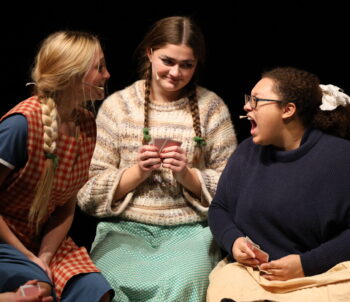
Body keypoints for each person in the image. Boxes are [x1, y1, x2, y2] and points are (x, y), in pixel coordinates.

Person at [77, 16, 237, 301]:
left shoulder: (211, 108)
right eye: (168, 61)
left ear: (197, 64)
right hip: (124, 230)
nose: (176, 72)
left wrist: (188, 175)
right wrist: (136, 172)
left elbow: (234, 189)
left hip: (190, 232)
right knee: (105, 282)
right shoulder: (119, 107)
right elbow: (87, 192)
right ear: (150, 53)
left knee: (186, 280)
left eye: (186, 64)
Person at [207, 66, 350, 302]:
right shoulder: (246, 152)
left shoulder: (341, 158)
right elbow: (219, 208)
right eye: (248, 99)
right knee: (224, 287)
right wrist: (233, 241)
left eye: (256, 101)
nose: (246, 107)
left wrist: (307, 264)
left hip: (321, 277)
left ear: (287, 109)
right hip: (255, 276)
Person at [0, 31, 114, 302]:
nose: (107, 75)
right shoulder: (21, 125)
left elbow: (66, 205)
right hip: (5, 241)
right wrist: (28, 257)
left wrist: (45, 255)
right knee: (37, 291)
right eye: (98, 68)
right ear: (73, 77)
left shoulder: (85, 124)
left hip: (42, 242)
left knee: (95, 291)